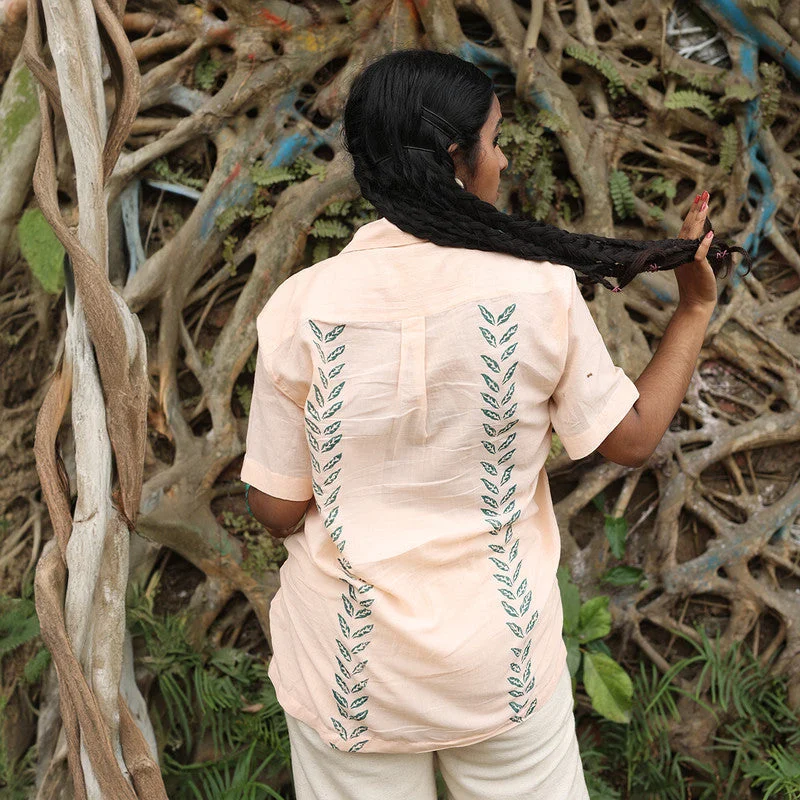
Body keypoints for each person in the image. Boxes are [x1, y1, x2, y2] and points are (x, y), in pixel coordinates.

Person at [241, 50, 747, 800]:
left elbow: (279, 509)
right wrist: (695, 309)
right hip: (497, 667)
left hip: (351, 676)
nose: (503, 158)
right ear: (456, 156)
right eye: (496, 137)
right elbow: (633, 439)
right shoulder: (535, 288)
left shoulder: (298, 306)